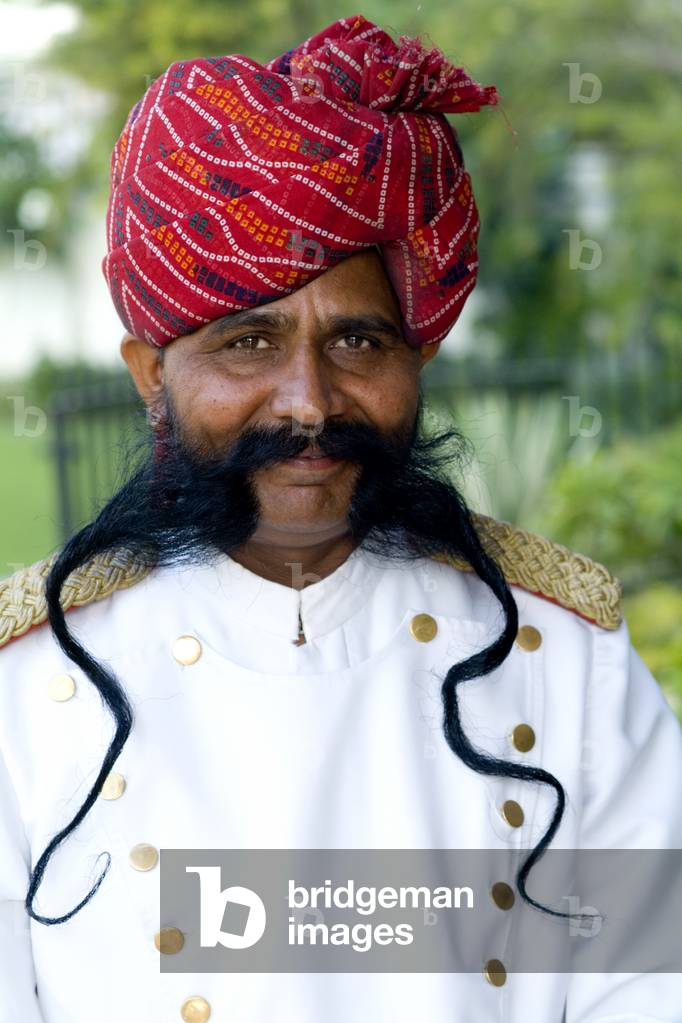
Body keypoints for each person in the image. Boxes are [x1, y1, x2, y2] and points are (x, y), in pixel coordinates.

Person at [1, 13, 680, 1023]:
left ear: (419, 360)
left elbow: (645, 984)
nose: (308, 401)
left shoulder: (560, 656)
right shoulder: (28, 687)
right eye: (247, 343)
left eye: (359, 341)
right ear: (152, 375)